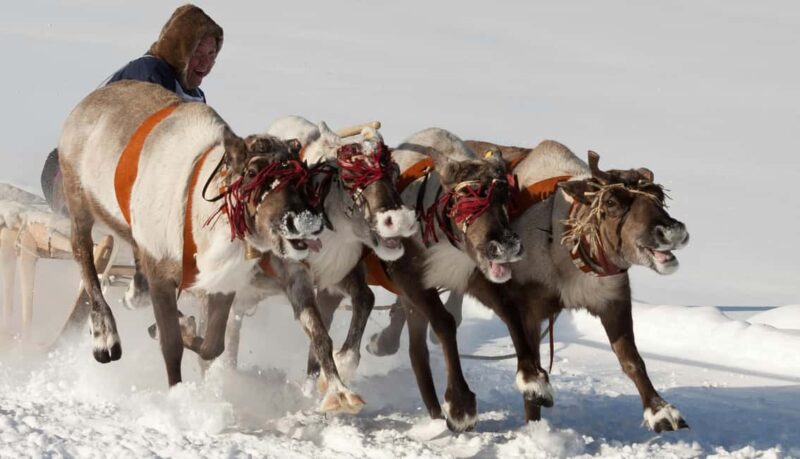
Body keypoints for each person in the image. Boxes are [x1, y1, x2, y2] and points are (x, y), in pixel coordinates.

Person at [41, 4, 223, 213]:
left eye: (212, 54)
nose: (206, 62)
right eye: (198, 52)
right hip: (69, 172)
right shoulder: (150, 72)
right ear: (179, 49)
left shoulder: (195, 96)